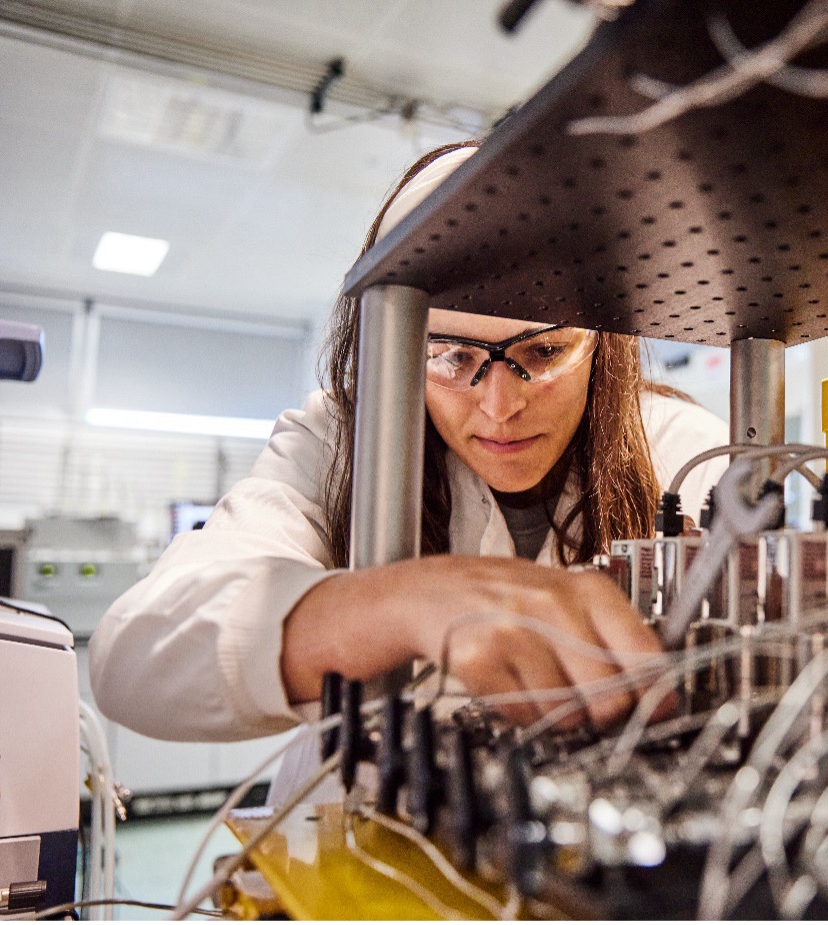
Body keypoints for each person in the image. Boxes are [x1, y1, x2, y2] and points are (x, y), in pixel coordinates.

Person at [88, 142, 728, 746]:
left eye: (544, 351)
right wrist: (402, 602)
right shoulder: (338, 441)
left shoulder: (673, 444)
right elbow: (135, 654)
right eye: (451, 355)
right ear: (394, 343)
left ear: (602, 344)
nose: (500, 406)